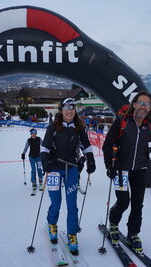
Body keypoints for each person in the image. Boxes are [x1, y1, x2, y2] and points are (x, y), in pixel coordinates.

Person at [102, 91, 151, 253]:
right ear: (134, 104)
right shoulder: (122, 122)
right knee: (123, 202)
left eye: (147, 104)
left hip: (140, 169)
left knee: (138, 205)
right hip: (120, 170)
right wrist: (109, 166)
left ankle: (133, 233)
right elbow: (107, 145)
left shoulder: (150, 125)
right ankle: (114, 223)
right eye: (141, 103)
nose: (144, 107)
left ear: (150, 108)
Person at [40, 98, 96, 255]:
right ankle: (52, 224)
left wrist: (90, 160)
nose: (69, 111)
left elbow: (87, 146)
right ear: (61, 110)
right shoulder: (53, 126)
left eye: (72, 108)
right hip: (54, 169)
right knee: (56, 203)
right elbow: (44, 147)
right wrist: (45, 161)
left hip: (71, 168)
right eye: (66, 108)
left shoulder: (79, 127)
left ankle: (72, 235)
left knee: (72, 204)